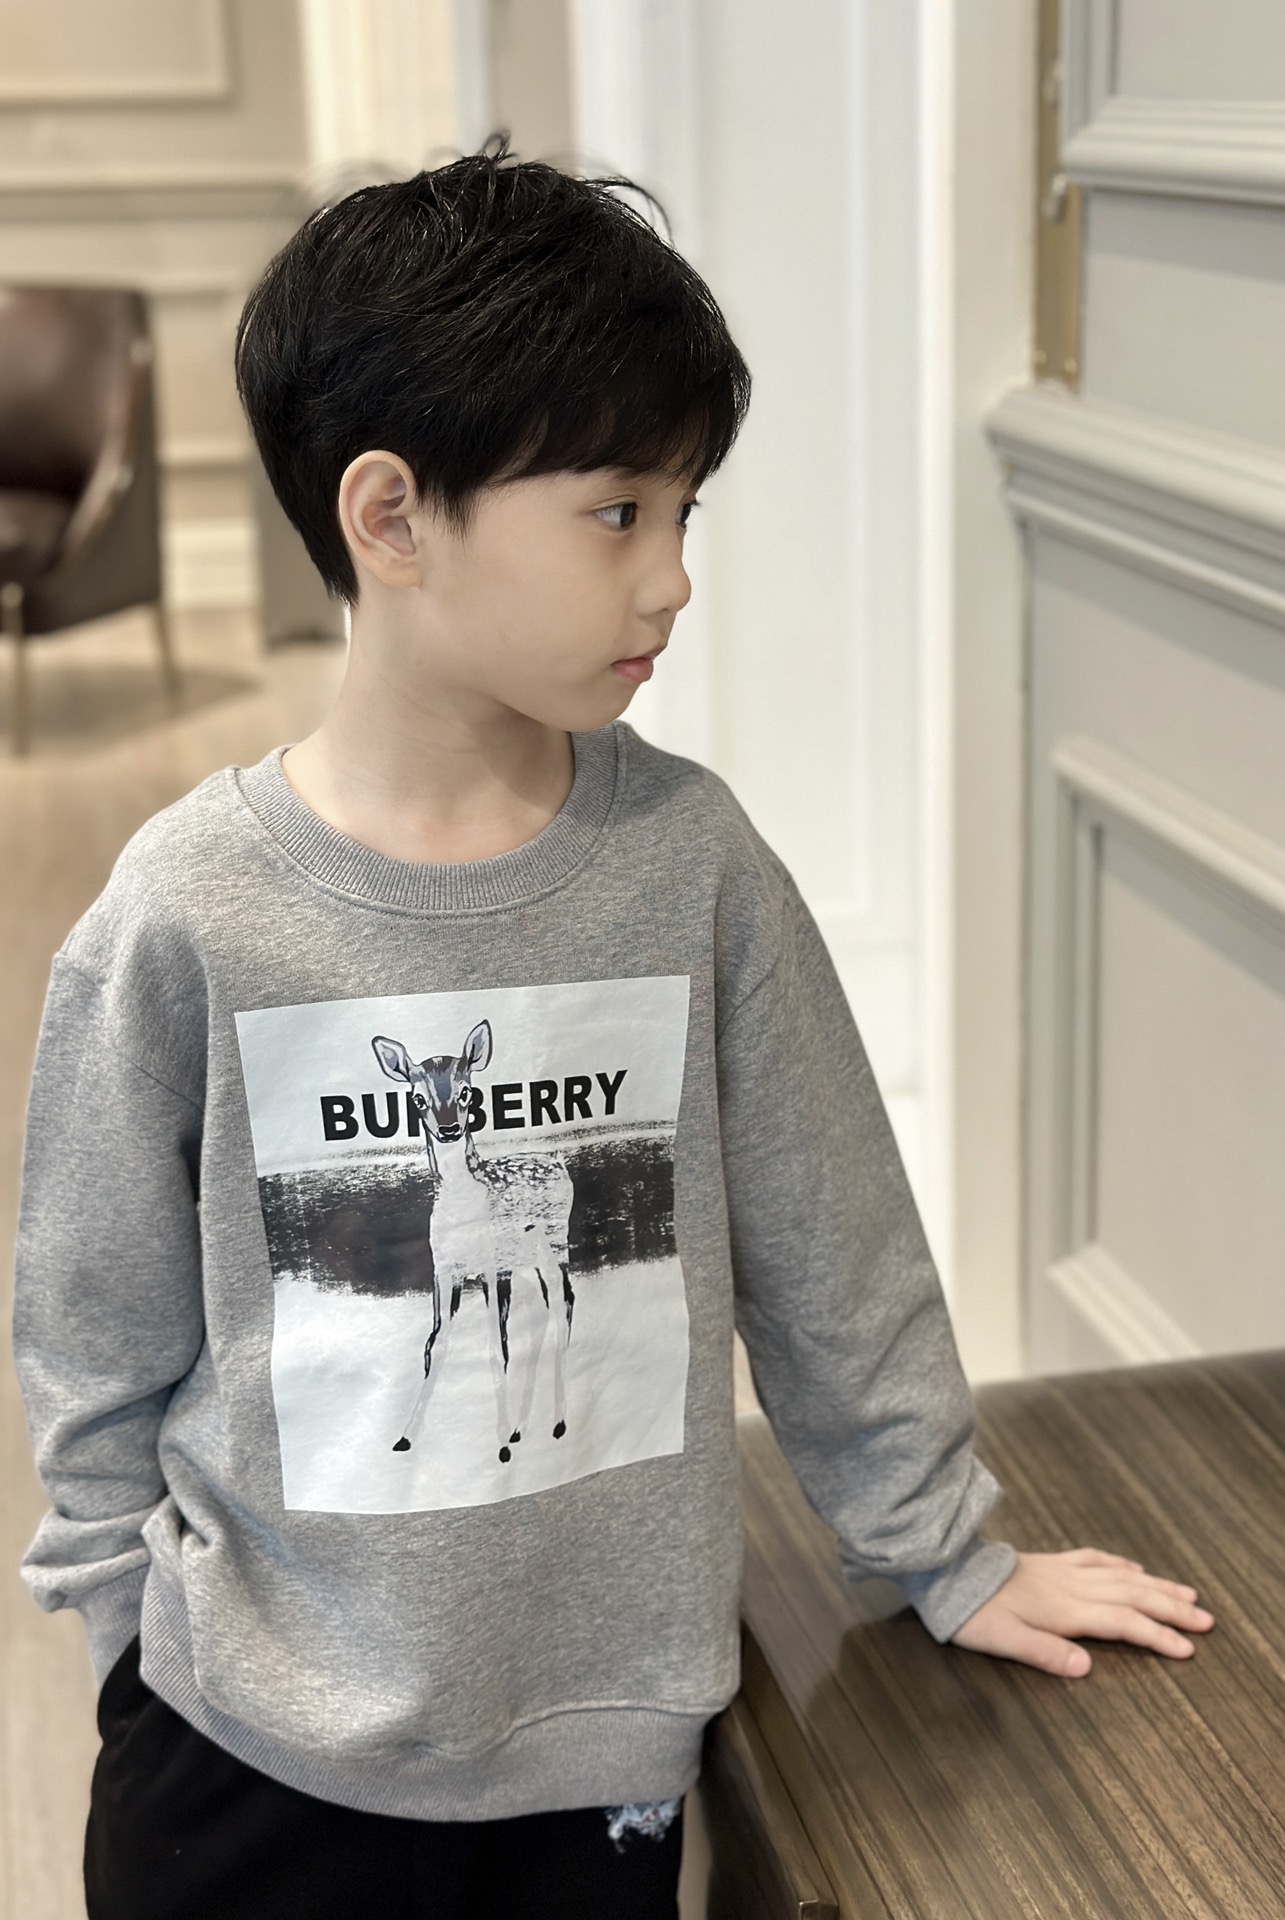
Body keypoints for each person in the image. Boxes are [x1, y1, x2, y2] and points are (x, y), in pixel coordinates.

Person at [11, 139, 1213, 1920]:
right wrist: (126, 1633)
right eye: (617, 513)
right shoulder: (189, 911)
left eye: (684, 514)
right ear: (391, 518)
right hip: (244, 1770)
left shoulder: (692, 866)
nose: (672, 580)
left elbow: (833, 1240)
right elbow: (92, 1325)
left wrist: (945, 1554)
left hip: (600, 1773)